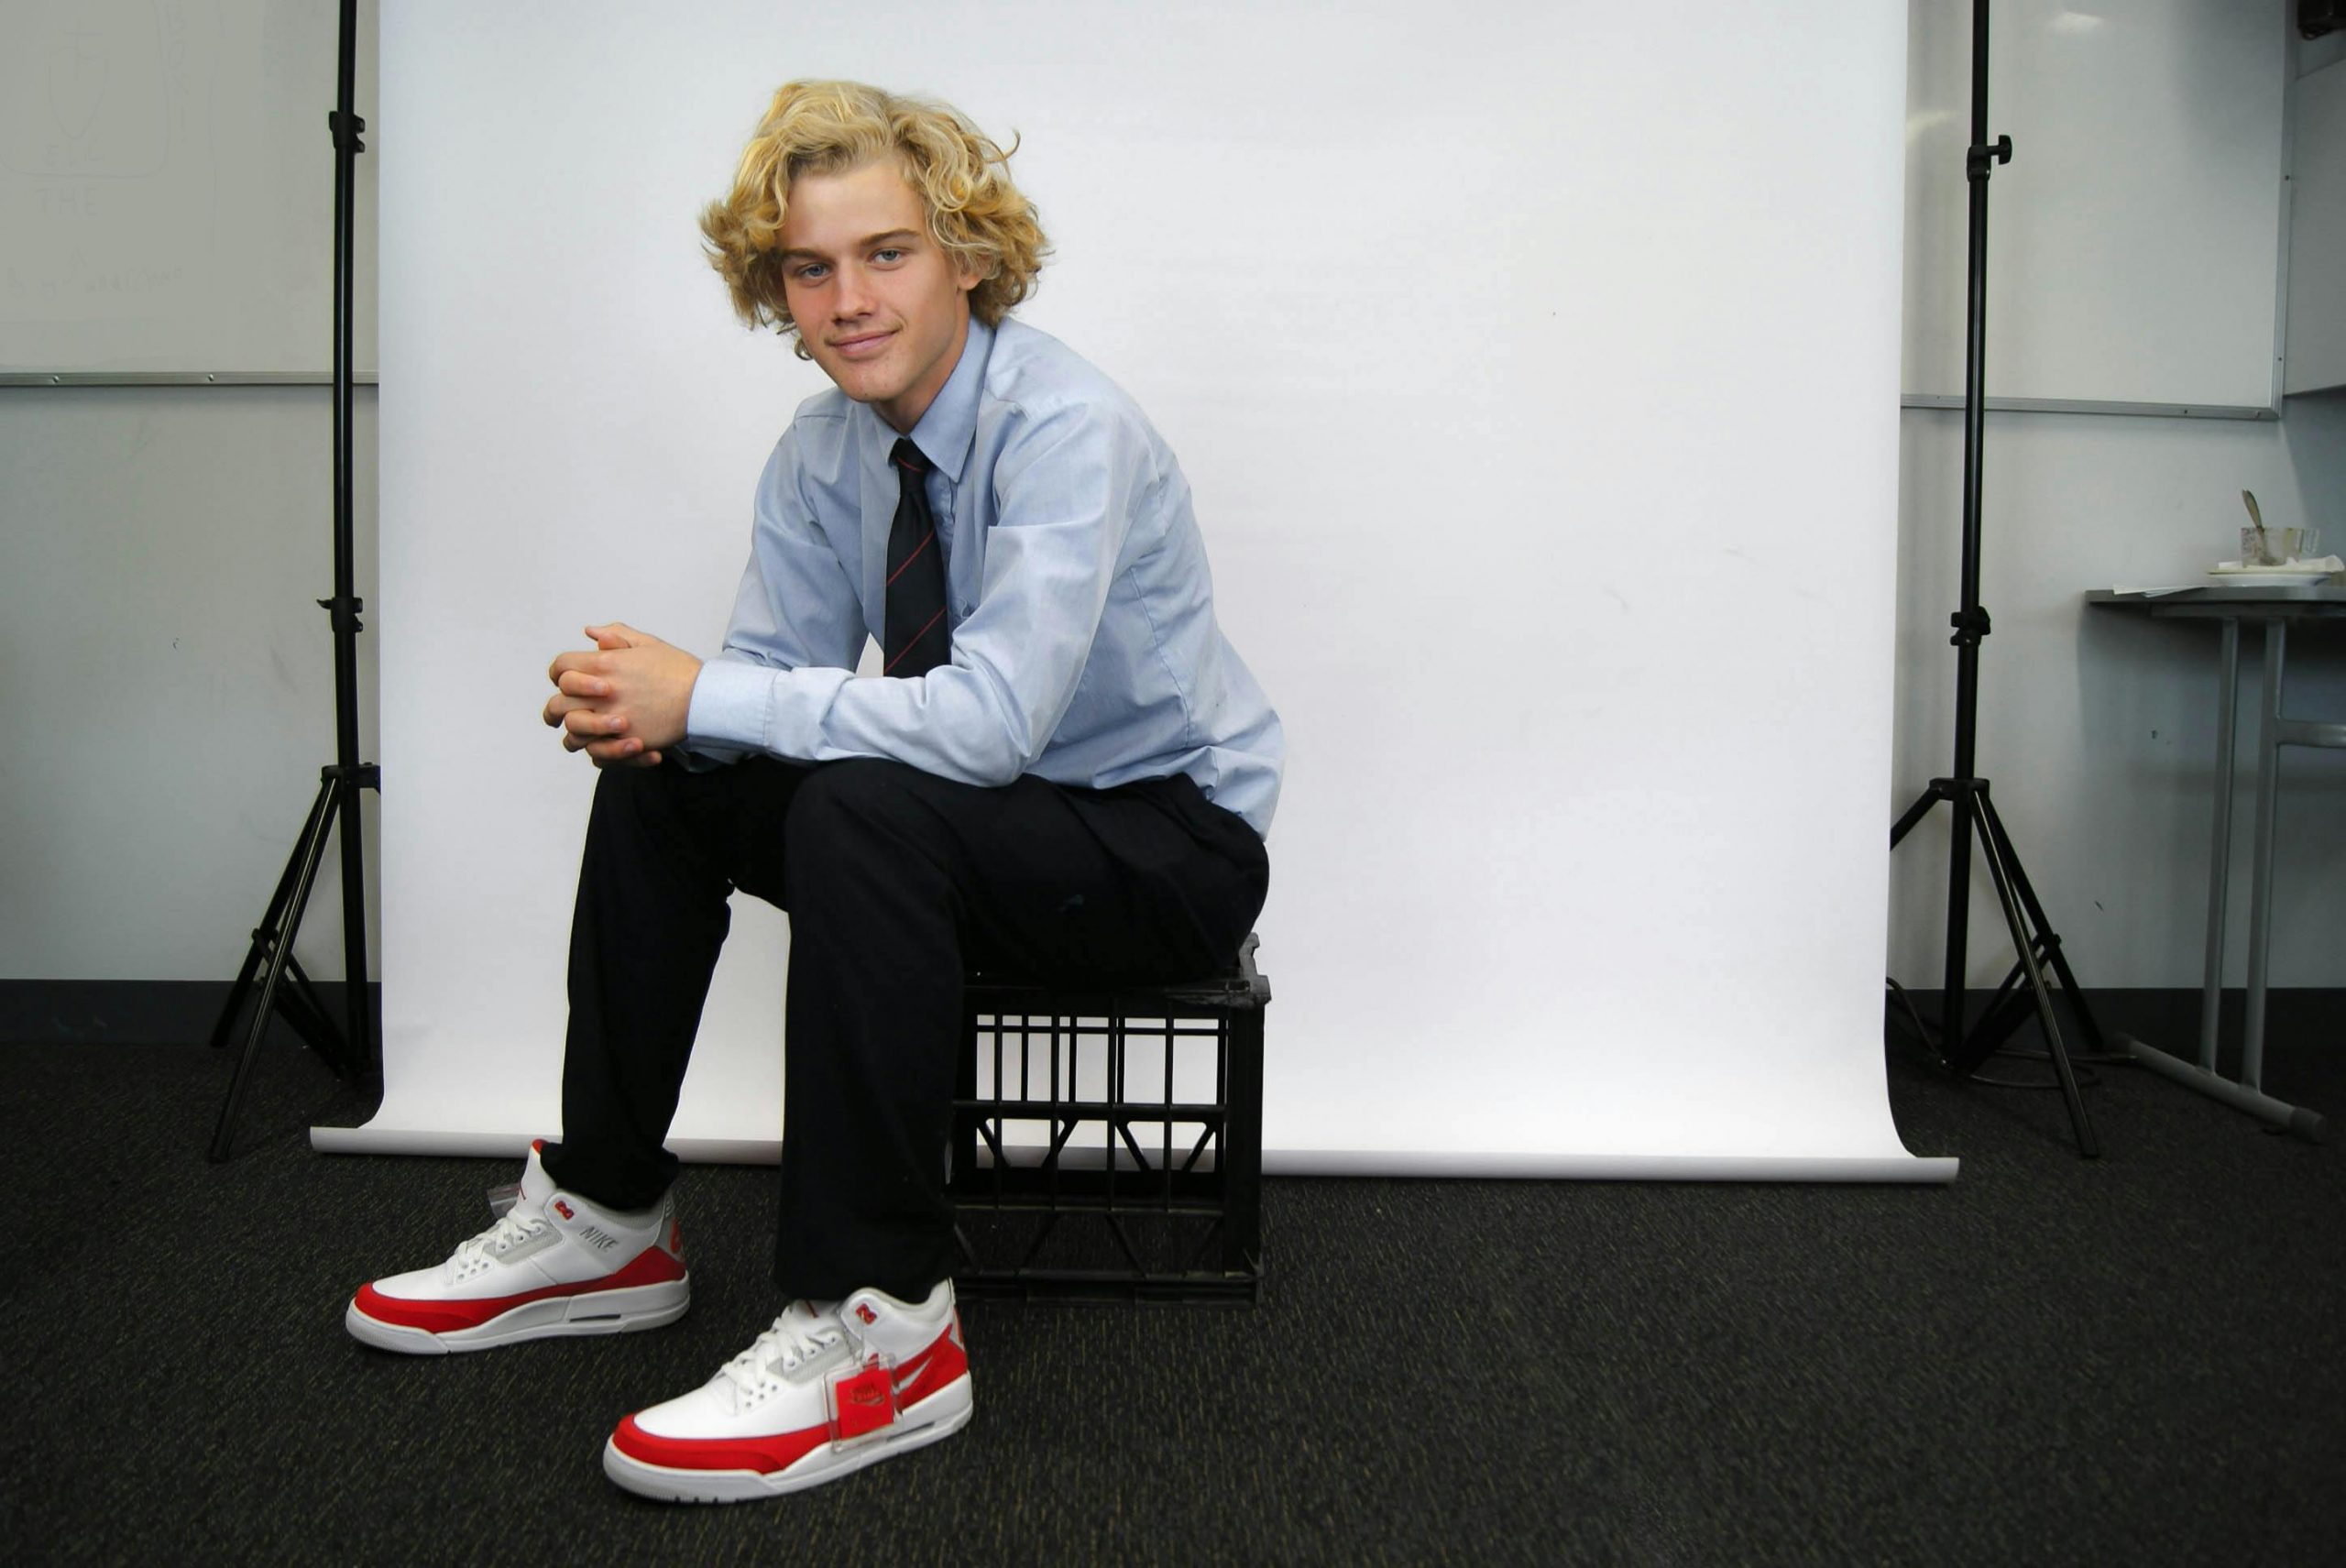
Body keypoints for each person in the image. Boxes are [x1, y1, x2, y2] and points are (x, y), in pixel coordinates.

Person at [343, 79, 1283, 1504]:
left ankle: (888, 1329)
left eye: (887, 253)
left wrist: (705, 690)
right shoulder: (821, 450)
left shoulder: (1066, 429)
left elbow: (988, 727)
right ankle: (608, 1216)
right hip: (976, 840)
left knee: (852, 797)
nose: (848, 298)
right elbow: (769, 696)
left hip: (1162, 845)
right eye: (810, 266)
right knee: (673, 778)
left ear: (967, 253)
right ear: (776, 286)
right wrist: (650, 713)